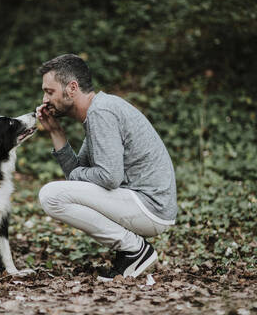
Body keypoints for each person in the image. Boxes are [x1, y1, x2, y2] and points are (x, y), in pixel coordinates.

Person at [35, 54, 177, 278]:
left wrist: (75, 175)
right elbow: (79, 174)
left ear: (72, 88)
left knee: (50, 195)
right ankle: (131, 252)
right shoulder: (97, 112)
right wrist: (56, 133)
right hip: (142, 203)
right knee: (58, 192)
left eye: (49, 91)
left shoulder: (101, 112)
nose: (44, 99)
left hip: (150, 206)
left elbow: (109, 176)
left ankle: (135, 250)